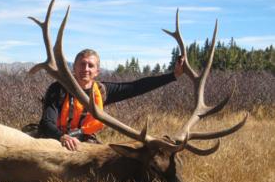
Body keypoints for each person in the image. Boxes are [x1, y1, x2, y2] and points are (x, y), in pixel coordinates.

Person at [38, 49, 184, 151]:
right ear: (74, 67)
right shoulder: (58, 89)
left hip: (85, 140)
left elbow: (137, 87)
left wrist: (173, 75)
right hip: (55, 139)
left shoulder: (101, 91)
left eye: (91, 65)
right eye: (82, 64)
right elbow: (46, 123)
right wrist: (62, 137)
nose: (86, 69)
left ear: (97, 72)